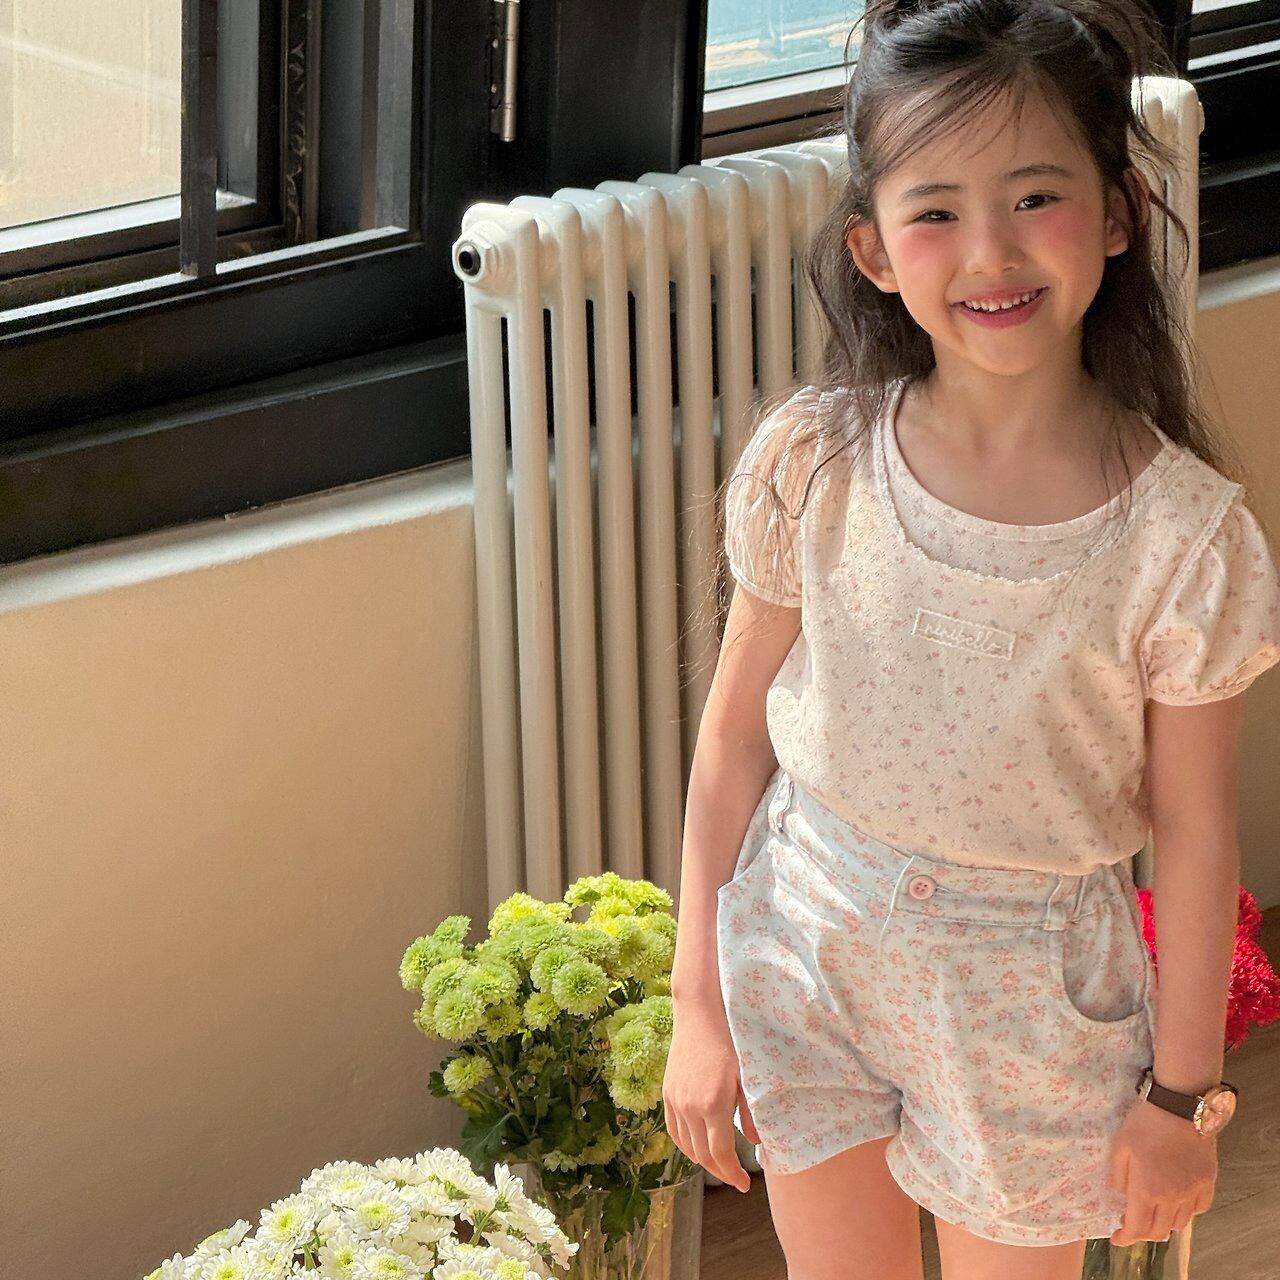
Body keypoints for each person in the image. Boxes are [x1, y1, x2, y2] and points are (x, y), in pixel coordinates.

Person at [662, 2, 1280, 1278]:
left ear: (1116, 214)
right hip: (803, 943)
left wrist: (1180, 1099)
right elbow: (732, 742)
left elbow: (1194, 831)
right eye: (934, 210)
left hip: (1029, 1003)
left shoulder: (1184, 537)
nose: (988, 250)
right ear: (873, 250)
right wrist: (696, 1005)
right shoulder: (811, 460)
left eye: (1034, 196)